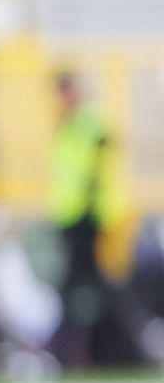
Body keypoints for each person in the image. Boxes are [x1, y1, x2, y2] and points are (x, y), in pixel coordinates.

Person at [48, 70, 129, 366]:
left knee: (90, 287)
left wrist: (92, 214)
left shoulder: (90, 122)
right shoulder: (72, 124)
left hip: (89, 217)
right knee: (87, 286)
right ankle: (91, 351)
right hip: (74, 216)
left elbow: (97, 171)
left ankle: (97, 350)